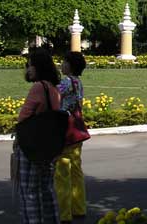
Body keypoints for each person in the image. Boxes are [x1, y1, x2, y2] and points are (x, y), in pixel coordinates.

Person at [16, 47, 62, 224]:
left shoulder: (37, 87)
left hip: (32, 145)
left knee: (29, 191)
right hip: (49, 145)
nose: (28, 70)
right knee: (47, 189)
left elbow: (24, 117)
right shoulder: (53, 88)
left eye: (30, 66)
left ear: (38, 67)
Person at [55, 52, 88, 224]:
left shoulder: (65, 82)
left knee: (62, 172)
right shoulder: (78, 82)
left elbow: (54, 96)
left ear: (70, 65)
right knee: (76, 170)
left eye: (64, 62)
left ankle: (64, 213)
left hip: (65, 129)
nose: (62, 64)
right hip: (77, 128)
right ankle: (79, 208)